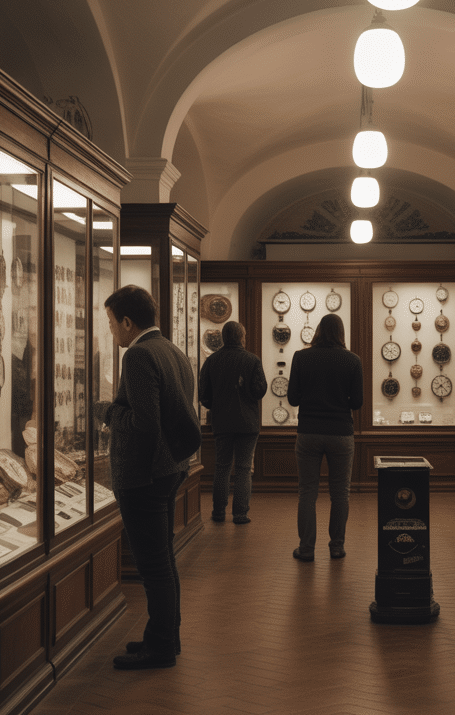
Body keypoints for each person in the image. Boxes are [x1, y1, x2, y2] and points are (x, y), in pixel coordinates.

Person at [94, 285, 201, 670]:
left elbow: (144, 424)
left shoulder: (138, 355)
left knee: (153, 565)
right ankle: (164, 637)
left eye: (110, 323)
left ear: (127, 321)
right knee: (163, 560)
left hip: (144, 475)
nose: (111, 332)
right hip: (170, 469)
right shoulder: (171, 350)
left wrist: (107, 411)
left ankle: (160, 648)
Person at [286, 313, 363, 561]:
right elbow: (358, 402)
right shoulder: (352, 360)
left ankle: (307, 548)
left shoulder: (301, 357)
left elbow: (293, 399)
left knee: (307, 492)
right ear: (341, 333)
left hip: (308, 431)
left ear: (318, 330)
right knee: (340, 492)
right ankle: (337, 546)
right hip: (340, 432)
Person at [198, 321, 267, 524]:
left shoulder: (212, 361)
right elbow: (260, 390)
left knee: (222, 467)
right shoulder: (252, 360)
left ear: (223, 338)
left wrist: (217, 405)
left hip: (222, 422)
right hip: (247, 423)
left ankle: (218, 512)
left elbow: (204, 396)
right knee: (244, 468)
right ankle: (240, 514)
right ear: (242, 337)